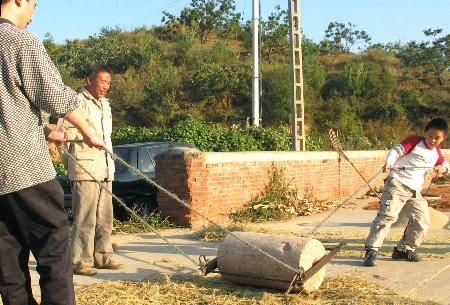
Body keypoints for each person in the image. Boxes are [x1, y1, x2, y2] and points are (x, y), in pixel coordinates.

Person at [0, 0, 104, 304]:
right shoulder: (19, 40)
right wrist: (88, 131)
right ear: (19, 0)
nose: (33, 14)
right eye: (34, 4)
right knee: (54, 251)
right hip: (25, 170)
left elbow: (10, 107)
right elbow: (52, 93)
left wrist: (46, 130)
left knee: (8, 260)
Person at [58, 64, 122, 276]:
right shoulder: (75, 102)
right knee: (85, 217)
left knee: (105, 216)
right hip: (85, 168)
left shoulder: (106, 105)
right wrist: (74, 164)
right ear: (89, 80)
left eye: (108, 83)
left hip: (105, 167)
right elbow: (62, 139)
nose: (105, 86)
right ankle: (79, 261)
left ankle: (103, 255)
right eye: (102, 81)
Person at [363, 118, 449, 267]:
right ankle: (372, 249)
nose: (433, 140)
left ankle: (403, 249)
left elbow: (445, 164)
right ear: (425, 133)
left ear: (444, 138)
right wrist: (389, 163)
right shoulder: (415, 142)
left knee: (422, 221)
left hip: (415, 191)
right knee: (387, 216)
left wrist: (442, 169)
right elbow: (396, 150)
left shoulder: (436, 153)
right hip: (397, 184)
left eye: (437, 138)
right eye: (430, 136)